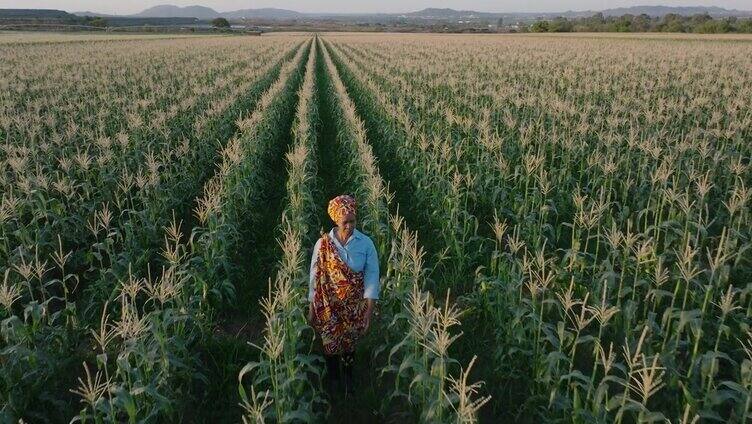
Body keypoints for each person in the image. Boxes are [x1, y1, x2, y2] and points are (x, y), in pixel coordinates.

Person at [308, 194, 379, 395]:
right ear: (335, 221)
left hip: (355, 306)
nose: (349, 226)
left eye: (352, 221)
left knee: (349, 342)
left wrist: (369, 309)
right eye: (344, 222)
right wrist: (312, 307)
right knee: (330, 342)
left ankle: (348, 377)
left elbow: (372, 276)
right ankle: (333, 378)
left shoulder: (366, 244)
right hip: (329, 306)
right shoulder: (322, 245)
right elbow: (314, 277)